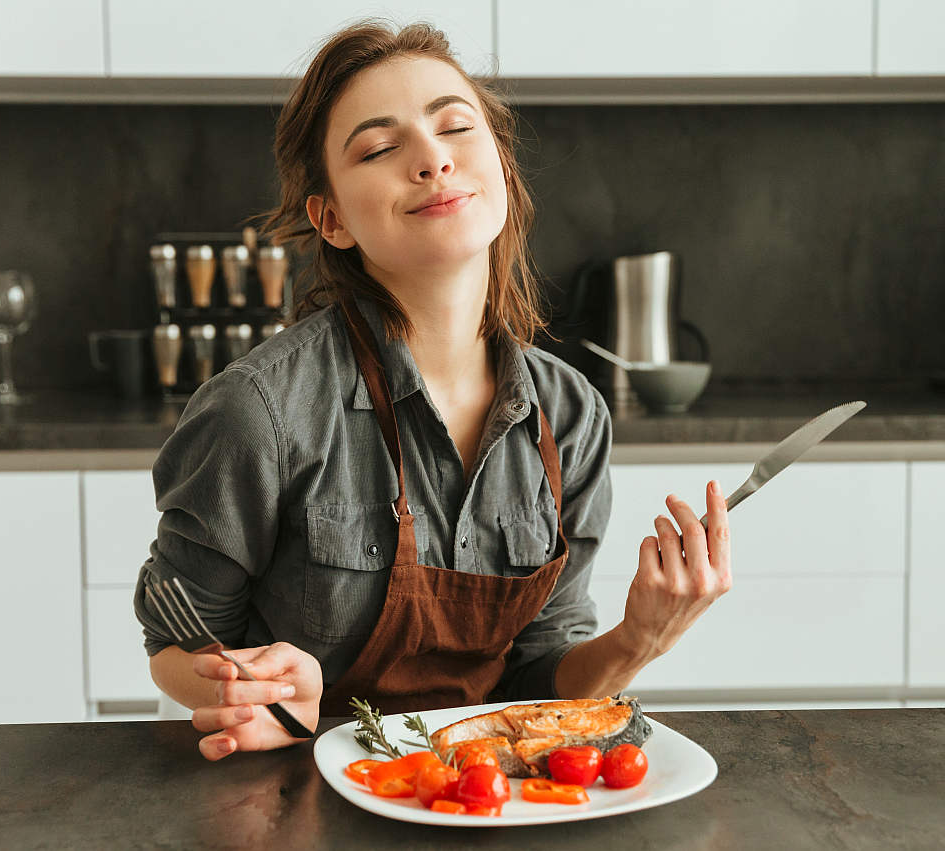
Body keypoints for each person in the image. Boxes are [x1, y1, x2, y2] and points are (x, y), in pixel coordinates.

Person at [133, 20, 731, 762]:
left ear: (502, 168)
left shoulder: (570, 417)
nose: (433, 159)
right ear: (332, 219)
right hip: (295, 796)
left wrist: (639, 638)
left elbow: (544, 681)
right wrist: (251, 686)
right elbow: (174, 643)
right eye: (380, 148)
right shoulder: (259, 411)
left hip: (488, 799)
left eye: (455, 126)